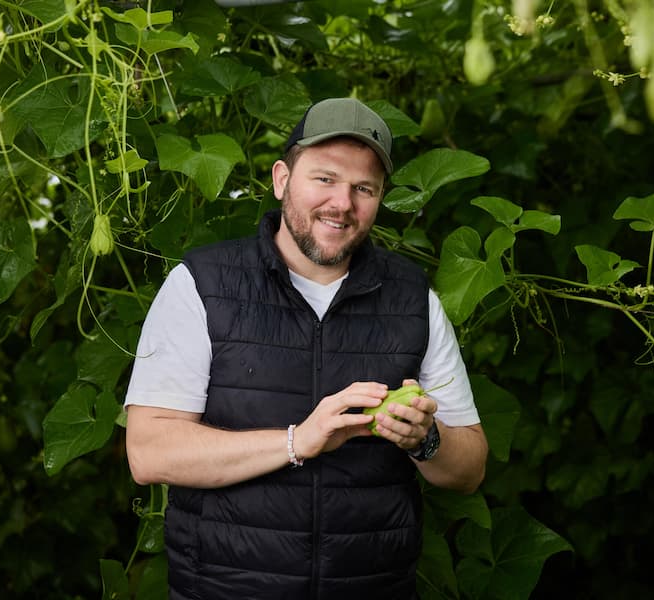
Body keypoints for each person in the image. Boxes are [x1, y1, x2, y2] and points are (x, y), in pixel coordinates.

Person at [124, 97, 488, 600]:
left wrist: (424, 439)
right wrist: (298, 440)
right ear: (281, 179)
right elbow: (149, 452)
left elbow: (470, 469)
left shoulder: (413, 300)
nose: (343, 203)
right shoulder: (201, 284)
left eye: (364, 188)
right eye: (325, 179)